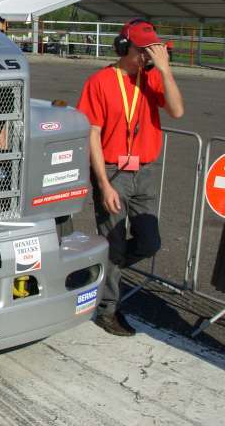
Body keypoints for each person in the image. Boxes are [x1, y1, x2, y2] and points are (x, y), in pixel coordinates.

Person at [76, 19, 184, 336]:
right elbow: (92, 134)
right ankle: (108, 310)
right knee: (114, 242)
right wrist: (103, 184)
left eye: (153, 51)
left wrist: (165, 70)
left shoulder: (154, 78)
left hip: (144, 171)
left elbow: (177, 111)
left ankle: (105, 271)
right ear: (123, 47)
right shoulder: (100, 81)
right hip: (112, 172)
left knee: (149, 242)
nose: (148, 57)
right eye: (143, 51)